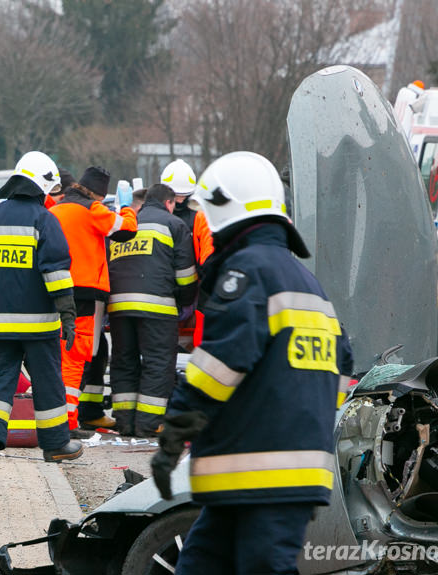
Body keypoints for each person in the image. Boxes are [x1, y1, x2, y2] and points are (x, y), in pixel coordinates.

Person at [151, 152, 353, 575]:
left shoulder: (247, 272)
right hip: (275, 477)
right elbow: (339, 372)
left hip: (259, 475)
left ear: (225, 210)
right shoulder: (307, 284)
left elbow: (218, 368)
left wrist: (174, 435)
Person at [0, 151, 83, 463]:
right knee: (48, 383)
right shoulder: (44, 220)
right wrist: (69, 316)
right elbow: (57, 273)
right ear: (43, 187)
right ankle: (56, 445)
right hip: (38, 326)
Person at [50, 166, 137, 434]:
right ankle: (66, 423)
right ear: (99, 195)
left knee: (54, 355)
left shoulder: (55, 211)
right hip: (85, 294)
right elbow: (128, 229)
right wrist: (126, 206)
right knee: (75, 357)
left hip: (52, 291)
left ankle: (52, 420)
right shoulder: (93, 210)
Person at [108, 183, 197, 436]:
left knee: (124, 361)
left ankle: (124, 422)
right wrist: (185, 302)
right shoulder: (173, 224)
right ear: (170, 203)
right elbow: (186, 275)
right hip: (157, 307)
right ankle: (148, 424)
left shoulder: (127, 222)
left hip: (119, 306)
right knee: (157, 362)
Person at [162, 159, 213, 348]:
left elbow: (206, 258)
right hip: (171, 288)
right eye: (177, 196)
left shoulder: (200, 219)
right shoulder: (198, 219)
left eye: (183, 196)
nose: (180, 201)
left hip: (188, 291)